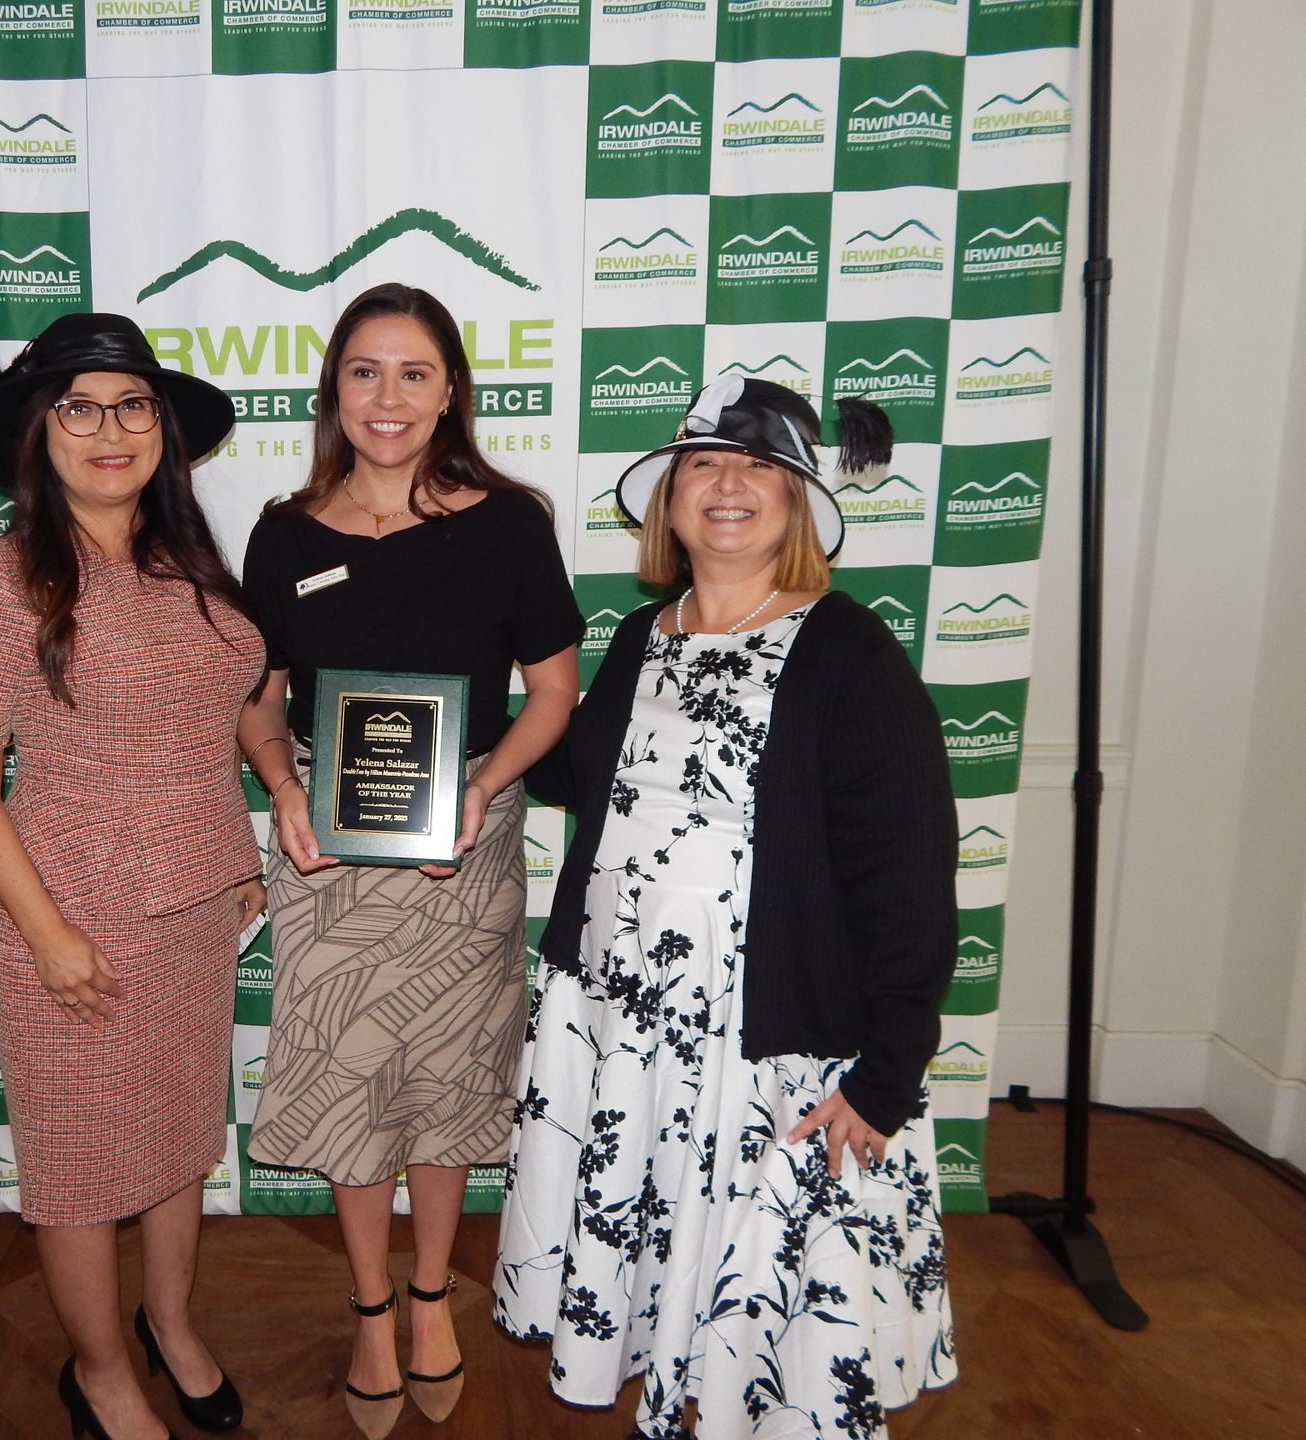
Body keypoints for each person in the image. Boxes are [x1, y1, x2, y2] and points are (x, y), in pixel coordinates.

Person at [494, 375, 959, 1438]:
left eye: (761, 468)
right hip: (627, 1027)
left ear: (797, 505)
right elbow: (576, 776)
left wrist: (886, 1078)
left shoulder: (849, 655)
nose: (729, 485)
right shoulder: (639, 638)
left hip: (761, 1045)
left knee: (772, 1330)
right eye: (706, 462)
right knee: (666, 1270)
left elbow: (909, 882)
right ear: (669, 497)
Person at [236, 282, 583, 1438]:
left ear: (451, 393)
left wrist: (480, 792)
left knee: (444, 1085)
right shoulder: (285, 533)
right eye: (366, 372)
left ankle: (433, 1297)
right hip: (328, 860)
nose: (390, 398)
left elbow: (555, 695)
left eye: (416, 373)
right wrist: (285, 787)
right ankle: (371, 1309)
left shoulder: (510, 524)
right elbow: (258, 698)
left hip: (465, 853)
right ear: (334, 389)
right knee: (348, 1090)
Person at [0, 313, 264, 1440]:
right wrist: (50, 937)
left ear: (163, 430)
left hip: (197, 913)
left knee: (177, 1143)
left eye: (132, 406)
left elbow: (208, 727)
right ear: (39, 431)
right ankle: (102, 1370)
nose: (109, 429)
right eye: (79, 407)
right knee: (78, 1169)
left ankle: (171, 1325)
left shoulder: (193, 565)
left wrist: (235, 859)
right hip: (68, 928)